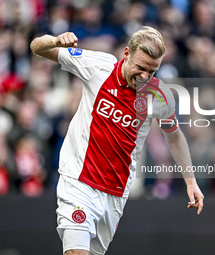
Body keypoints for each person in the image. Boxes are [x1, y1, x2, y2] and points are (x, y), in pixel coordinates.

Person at [30, 26, 204, 255]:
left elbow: (174, 137)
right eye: (140, 68)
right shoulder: (98, 66)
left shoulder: (160, 96)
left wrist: (190, 181)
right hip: (78, 181)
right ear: (126, 54)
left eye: (152, 72)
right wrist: (54, 41)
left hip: (115, 193)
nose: (144, 77)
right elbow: (36, 47)